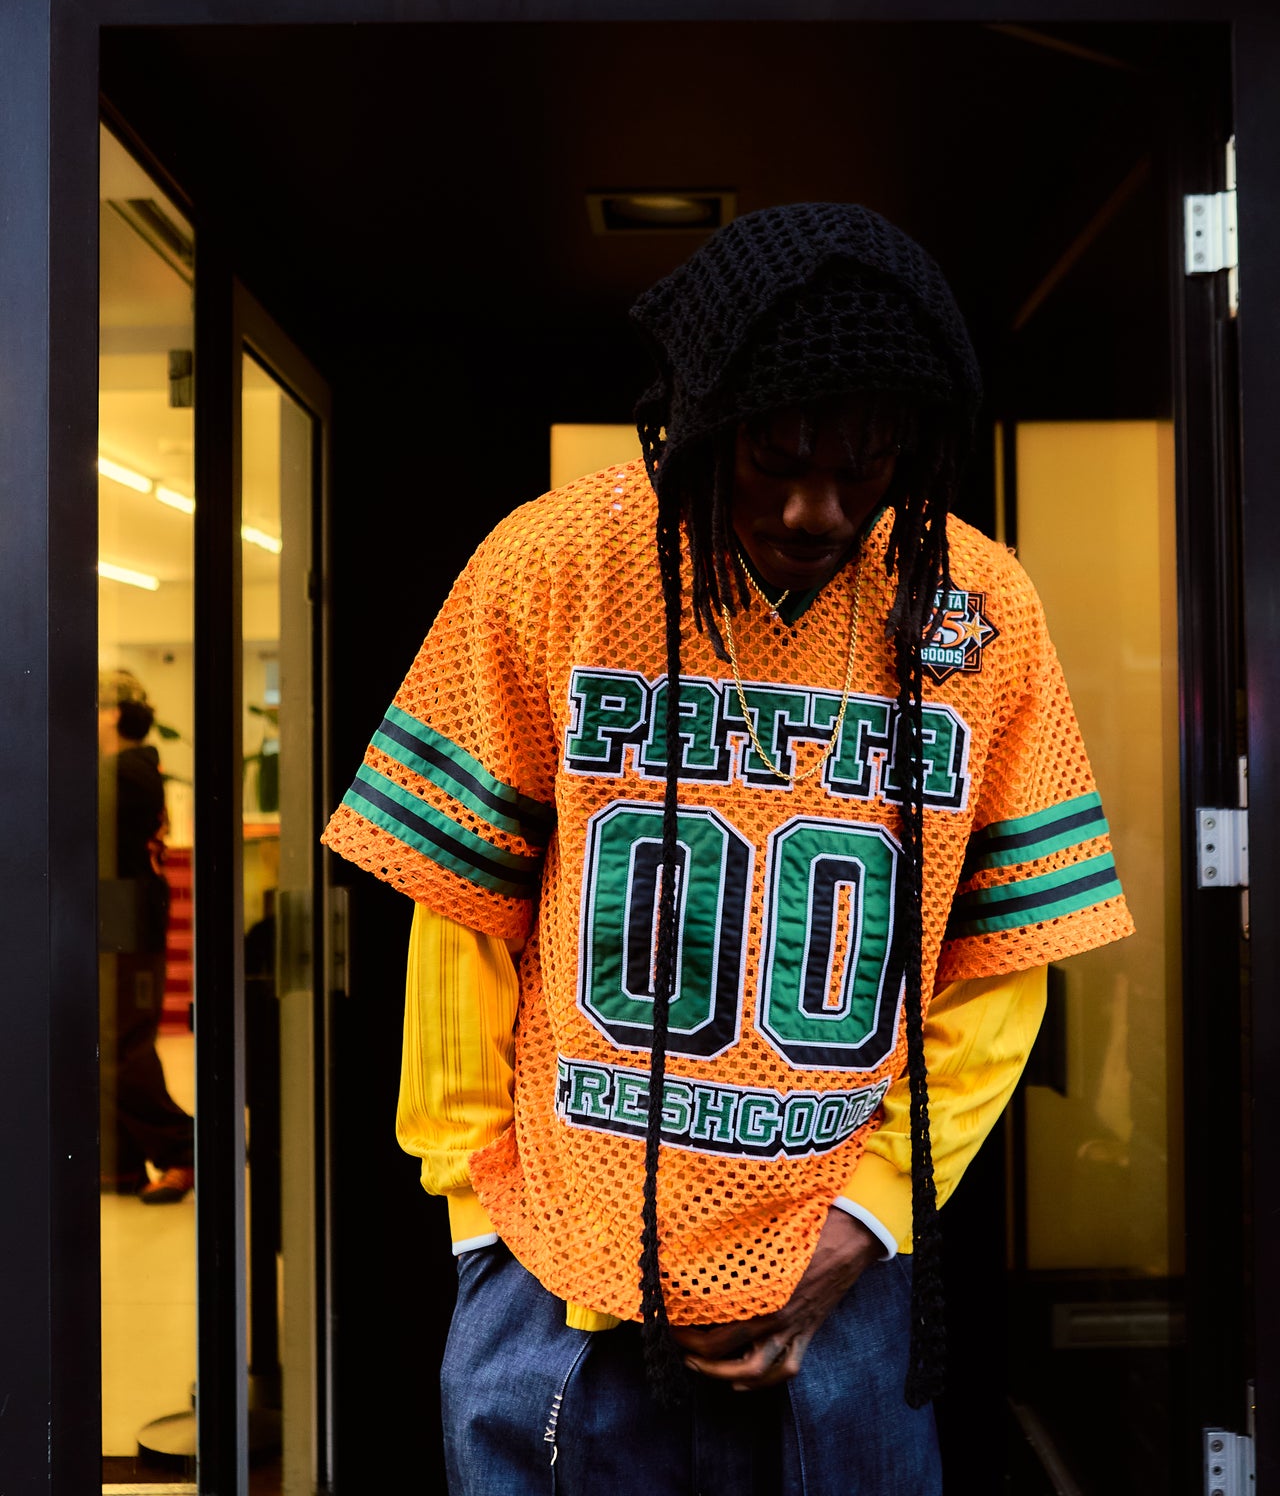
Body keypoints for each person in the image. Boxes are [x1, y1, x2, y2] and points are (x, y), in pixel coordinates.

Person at [323, 203, 1133, 1494]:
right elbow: (461, 902)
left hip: (843, 1266)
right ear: (698, 423)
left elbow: (1002, 959)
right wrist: (482, 1221)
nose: (817, 506)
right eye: (775, 456)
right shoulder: (553, 565)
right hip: (557, 1267)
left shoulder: (979, 609)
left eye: (865, 463)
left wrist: (868, 1216)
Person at [99, 669, 196, 1204]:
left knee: (120, 1048)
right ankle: (120, 1167)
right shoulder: (126, 768)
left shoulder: (126, 771)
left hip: (128, 924)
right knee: (105, 1044)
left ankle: (185, 1148)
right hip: (117, 920)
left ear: (113, 714)